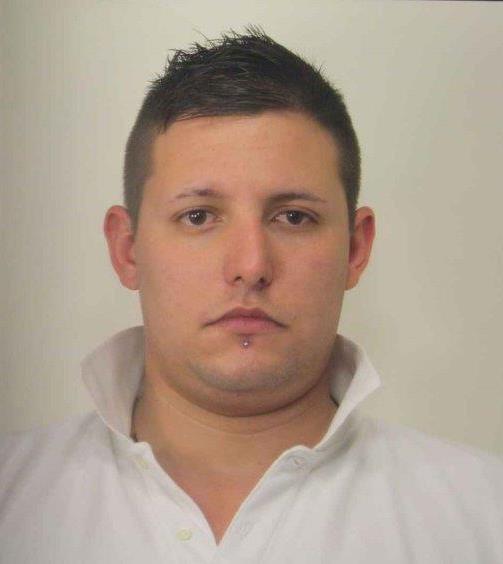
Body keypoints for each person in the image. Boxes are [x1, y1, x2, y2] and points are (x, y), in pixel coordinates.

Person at [1, 25, 502, 563]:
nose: (251, 267)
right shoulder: (16, 501)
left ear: (356, 250)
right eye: (199, 216)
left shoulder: (484, 515)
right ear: (128, 250)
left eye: (294, 217)